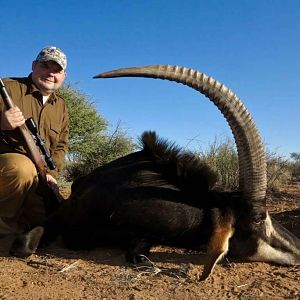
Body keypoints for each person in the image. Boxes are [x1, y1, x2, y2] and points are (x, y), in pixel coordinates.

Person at [0, 46, 69, 236]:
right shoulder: (8, 87)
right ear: (33, 65)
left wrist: (51, 174)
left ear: (63, 75)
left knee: (55, 220)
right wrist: (2, 123)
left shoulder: (61, 106)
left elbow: (61, 145)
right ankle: (4, 231)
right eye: (45, 66)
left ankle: (19, 222)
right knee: (21, 166)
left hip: (39, 175)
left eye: (57, 70)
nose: (50, 73)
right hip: (9, 169)